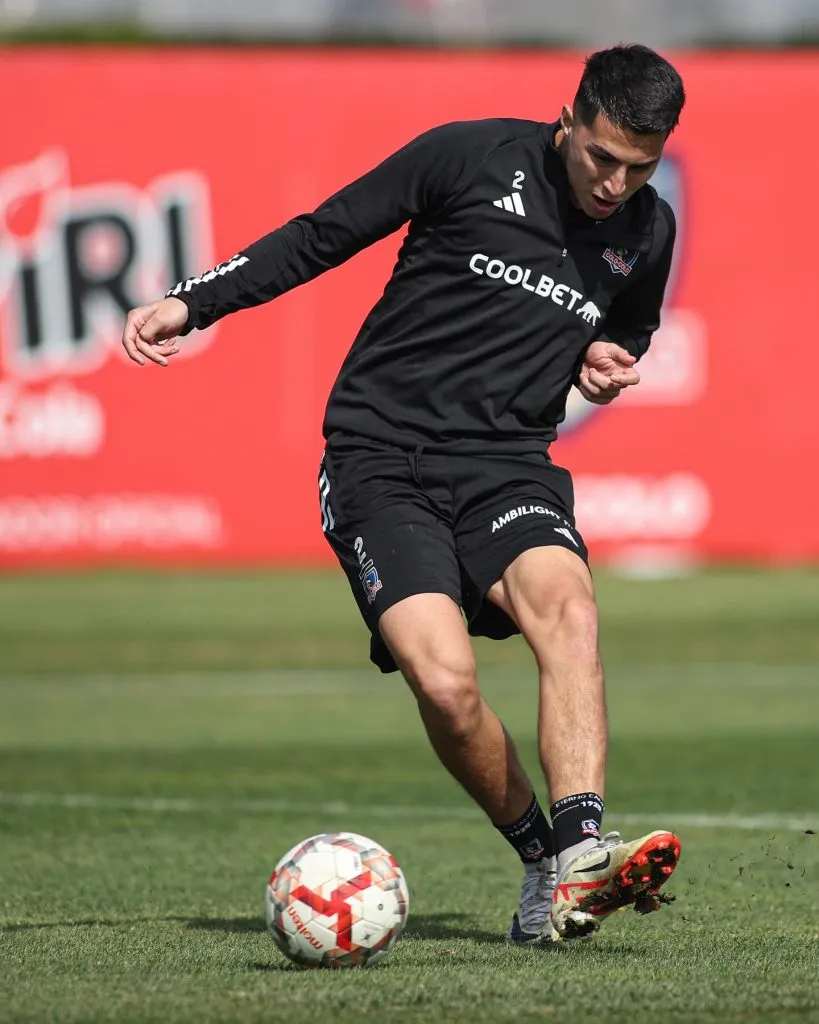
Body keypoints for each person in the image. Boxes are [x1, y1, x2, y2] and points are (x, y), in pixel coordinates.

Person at [122, 43, 686, 944]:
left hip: (508, 463)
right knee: (444, 680)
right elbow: (319, 235)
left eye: (638, 167)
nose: (616, 184)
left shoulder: (647, 229)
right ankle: (543, 865)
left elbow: (629, 327)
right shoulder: (465, 158)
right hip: (379, 457)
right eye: (601, 158)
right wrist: (193, 303)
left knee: (568, 612)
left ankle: (584, 853)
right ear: (569, 118)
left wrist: (605, 358)